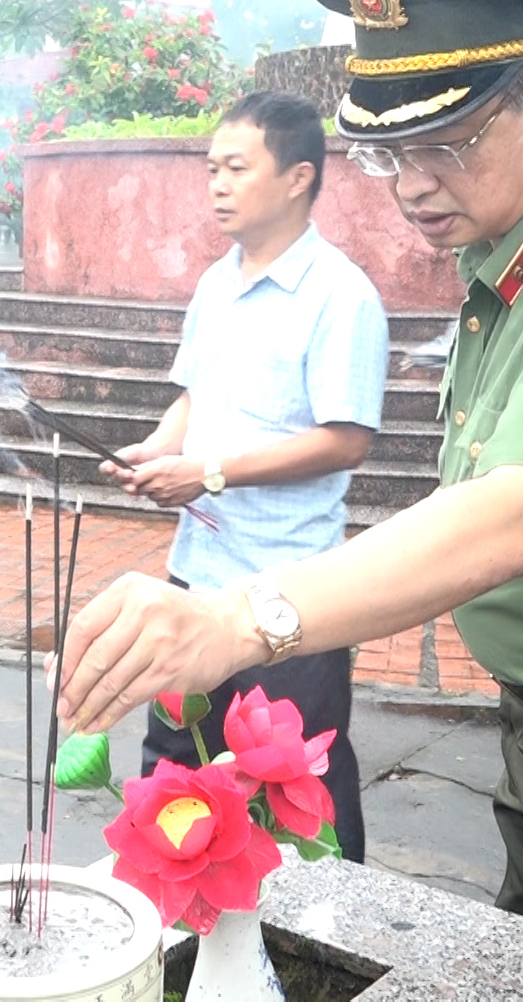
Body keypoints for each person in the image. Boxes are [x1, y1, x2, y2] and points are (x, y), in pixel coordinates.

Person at [53, 0, 523, 1002]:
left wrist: (243, 620)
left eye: (449, 141)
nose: (415, 186)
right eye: (391, 151)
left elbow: (518, 515)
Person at [105, 90, 385, 864]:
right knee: (176, 770)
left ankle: (331, 935)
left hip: (292, 595)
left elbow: (345, 439)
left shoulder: (342, 295)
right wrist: (154, 453)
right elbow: (194, 400)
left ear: (298, 177)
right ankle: (175, 934)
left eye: (235, 168)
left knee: (300, 791)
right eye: (211, 169)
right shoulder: (215, 283)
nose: (217, 185)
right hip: (196, 577)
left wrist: (212, 474)